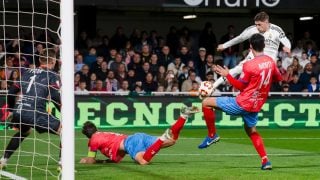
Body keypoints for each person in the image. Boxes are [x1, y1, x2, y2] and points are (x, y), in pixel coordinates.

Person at [198, 34, 282, 170]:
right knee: (251, 131)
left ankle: (212, 135)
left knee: (206, 102)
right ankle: (265, 161)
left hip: (242, 103)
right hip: (256, 106)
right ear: (264, 46)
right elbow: (278, 78)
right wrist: (261, 85)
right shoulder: (271, 62)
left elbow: (241, 86)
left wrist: (227, 76)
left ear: (250, 47)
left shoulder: (249, 65)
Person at [0, 49, 61, 169]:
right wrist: (63, 110)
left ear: (39, 59)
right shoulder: (52, 75)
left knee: (24, 131)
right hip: (35, 112)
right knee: (64, 131)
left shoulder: (27, 72)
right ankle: (62, 164)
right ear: (53, 61)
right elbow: (54, 96)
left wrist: (12, 110)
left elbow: (11, 92)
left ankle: (3, 160)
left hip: (19, 110)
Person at [79, 106, 199, 165]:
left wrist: (85, 161)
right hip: (136, 137)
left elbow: (91, 159)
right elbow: (115, 158)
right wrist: (105, 161)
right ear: (96, 128)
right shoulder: (103, 134)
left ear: (87, 135)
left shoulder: (93, 140)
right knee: (172, 140)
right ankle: (183, 116)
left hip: (131, 143)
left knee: (143, 161)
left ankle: (162, 137)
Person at [210, 11, 290, 93]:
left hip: (268, 61)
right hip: (254, 56)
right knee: (236, 70)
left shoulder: (276, 30)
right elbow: (239, 38)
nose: (257, 27)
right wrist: (224, 45)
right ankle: (212, 86)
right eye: (256, 24)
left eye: (259, 24)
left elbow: (286, 41)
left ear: (266, 22)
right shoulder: (252, 29)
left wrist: (288, 47)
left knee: (260, 82)